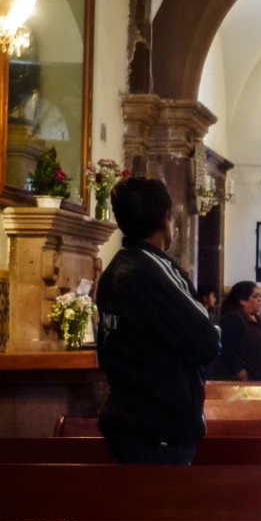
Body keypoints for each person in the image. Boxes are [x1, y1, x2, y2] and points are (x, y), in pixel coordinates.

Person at [95, 176, 219, 465]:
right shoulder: (153, 270)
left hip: (129, 418)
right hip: (159, 425)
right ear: (166, 218)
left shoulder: (116, 268)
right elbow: (207, 342)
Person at [216, 281, 261, 381]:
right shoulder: (233, 319)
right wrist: (240, 370)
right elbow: (229, 349)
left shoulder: (258, 318)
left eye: (260, 296)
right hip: (249, 376)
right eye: (255, 297)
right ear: (243, 301)